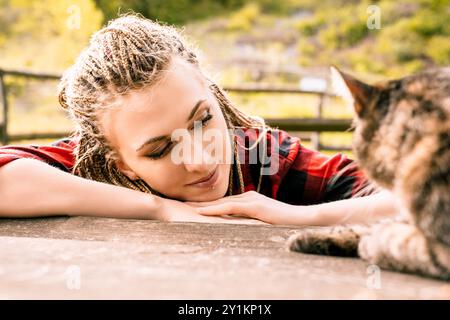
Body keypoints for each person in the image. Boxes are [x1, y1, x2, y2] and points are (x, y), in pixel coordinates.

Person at [0, 14, 398, 225]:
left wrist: (298, 215)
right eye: (160, 150)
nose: (201, 160)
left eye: (202, 121)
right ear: (121, 163)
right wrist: (156, 208)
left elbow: (409, 198)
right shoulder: (95, 169)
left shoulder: (265, 155)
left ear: (214, 96)